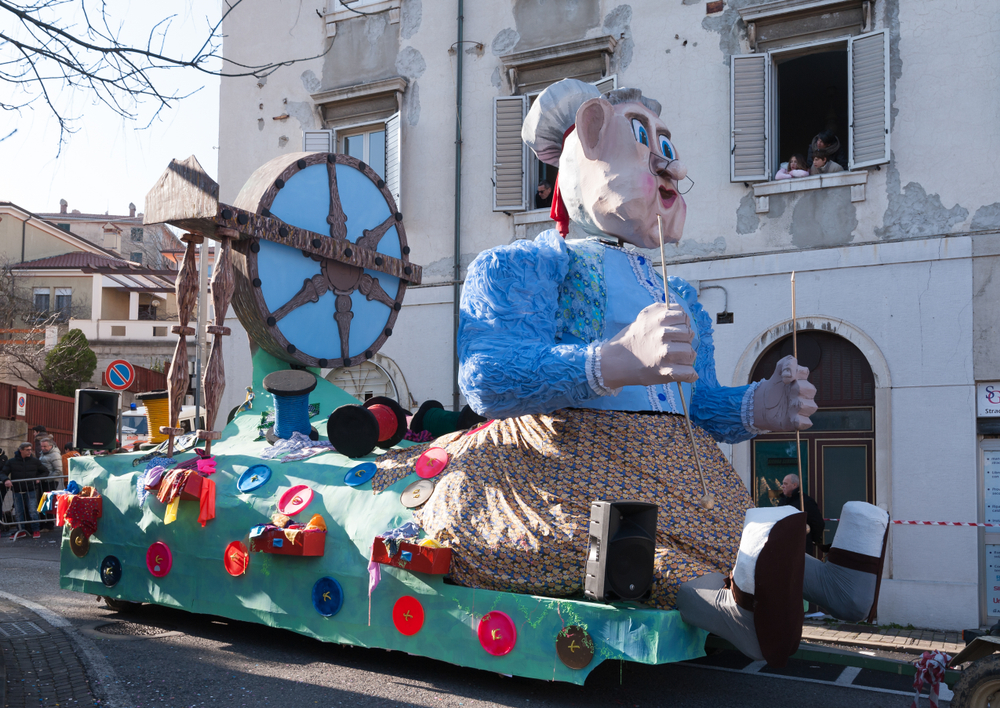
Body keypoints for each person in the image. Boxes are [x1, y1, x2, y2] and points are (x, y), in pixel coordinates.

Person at [1, 442, 47, 539]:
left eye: (30, 449)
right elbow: (3, 472)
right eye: (27, 449)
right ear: (21, 450)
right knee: (18, 512)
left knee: (33, 511)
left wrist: (39, 478)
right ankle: (20, 530)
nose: (30, 451)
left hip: (31, 489)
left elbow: (45, 471)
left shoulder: (35, 461)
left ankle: (36, 530)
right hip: (17, 490)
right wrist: (6, 479)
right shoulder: (11, 461)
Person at [777, 473, 825, 555]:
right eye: (782, 483)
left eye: (785, 484)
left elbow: (818, 524)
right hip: (784, 545)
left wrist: (809, 539)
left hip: (801, 547)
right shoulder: (783, 501)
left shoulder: (806, 502)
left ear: (794, 485)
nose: (782, 486)